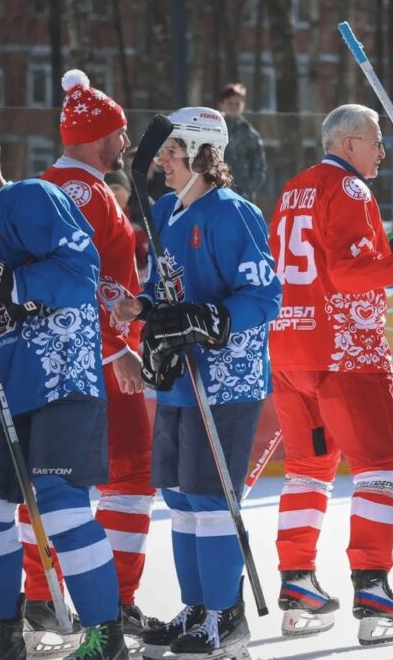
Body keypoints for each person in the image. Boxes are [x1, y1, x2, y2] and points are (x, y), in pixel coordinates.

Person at [111, 106, 282, 659]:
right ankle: (196, 606)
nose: (161, 160)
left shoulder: (234, 213)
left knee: (210, 500)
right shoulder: (167, 211)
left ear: (202, 151)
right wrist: (144, 307)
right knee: (181, 499)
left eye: (171, 150)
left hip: (226, 383)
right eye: (161, 151)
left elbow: (264, 296)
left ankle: (223, 618)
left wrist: (210, 318)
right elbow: (168, 295)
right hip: (182, 379)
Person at [267, 104, 393, 645]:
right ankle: (373, 586)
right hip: (345, 352)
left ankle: (297, 582)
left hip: (292, 350)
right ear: (347, 143)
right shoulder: (351, 191)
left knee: (308, 468)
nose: (382, 152)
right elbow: (348, 273)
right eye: (376, 141)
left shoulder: (293, 188)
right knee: (380, 462)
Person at [25, 69, 158, 653]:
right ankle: (116, 603)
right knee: (129, 480)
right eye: (118, 132)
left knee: (45, 485)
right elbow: (86, 281)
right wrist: (120, 346)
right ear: (92, 135)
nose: (124, 142)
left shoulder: (52, 185)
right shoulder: (85, 193)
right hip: (96, 362)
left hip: (52, 363)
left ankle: (41, 597)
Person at [0, 129, 128, 660]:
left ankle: (104, 638)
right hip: (5, 386)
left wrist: (12, 284)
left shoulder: (28, 197)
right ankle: (4, 632)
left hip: (58, 377)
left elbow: (81, 270)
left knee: (61, 510)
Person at [219, 82, 267, 203]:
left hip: (244, 196)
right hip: (217, 193)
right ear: (222, 105)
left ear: (243, 105)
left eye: (237, 104)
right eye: (229, 103)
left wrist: (248, 189)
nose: (233, 107)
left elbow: (260, 167)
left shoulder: (251, 135)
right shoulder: (215, 131)